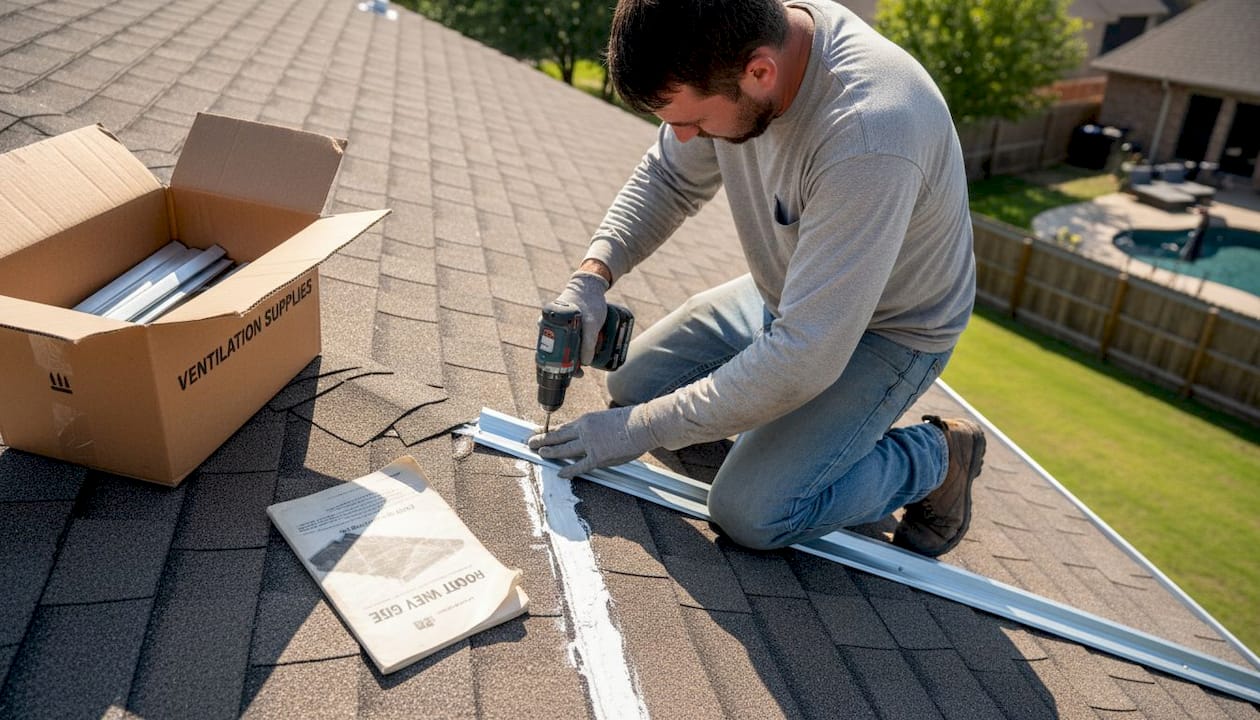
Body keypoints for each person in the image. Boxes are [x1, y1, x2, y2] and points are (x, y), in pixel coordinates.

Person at [528, 0, 985, 557]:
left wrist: (637, 432)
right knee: (634, 386)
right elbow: (669, 178)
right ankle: (788, 437)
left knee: (754, 512)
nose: (687, 138)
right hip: (800, 288)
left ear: (760, 72)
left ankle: (938, 457)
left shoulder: (869, 133)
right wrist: (593, 275)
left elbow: (805, 357)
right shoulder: (734, 45)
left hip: (889, 328)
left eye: (692, 122)